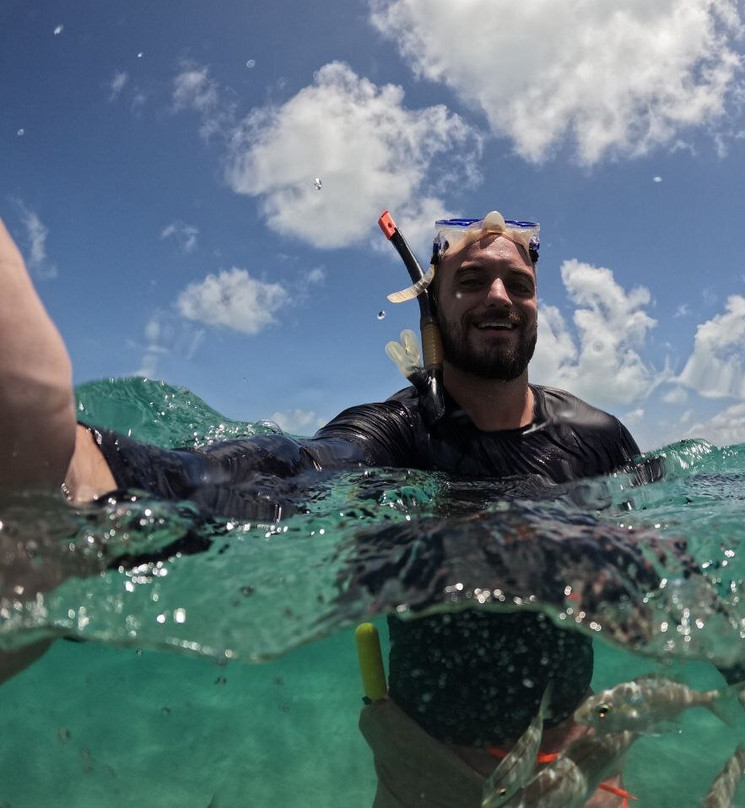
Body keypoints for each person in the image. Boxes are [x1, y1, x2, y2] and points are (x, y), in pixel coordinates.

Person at [0, 211, 644, 807]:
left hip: (580, 748)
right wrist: (99, 476)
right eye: (471, 280)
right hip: (433, 764)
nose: (499, 297)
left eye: (519, 284)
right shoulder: (395, 434)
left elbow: (663, 555)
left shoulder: (599, 438)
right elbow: (298, 469)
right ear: (433, 305)